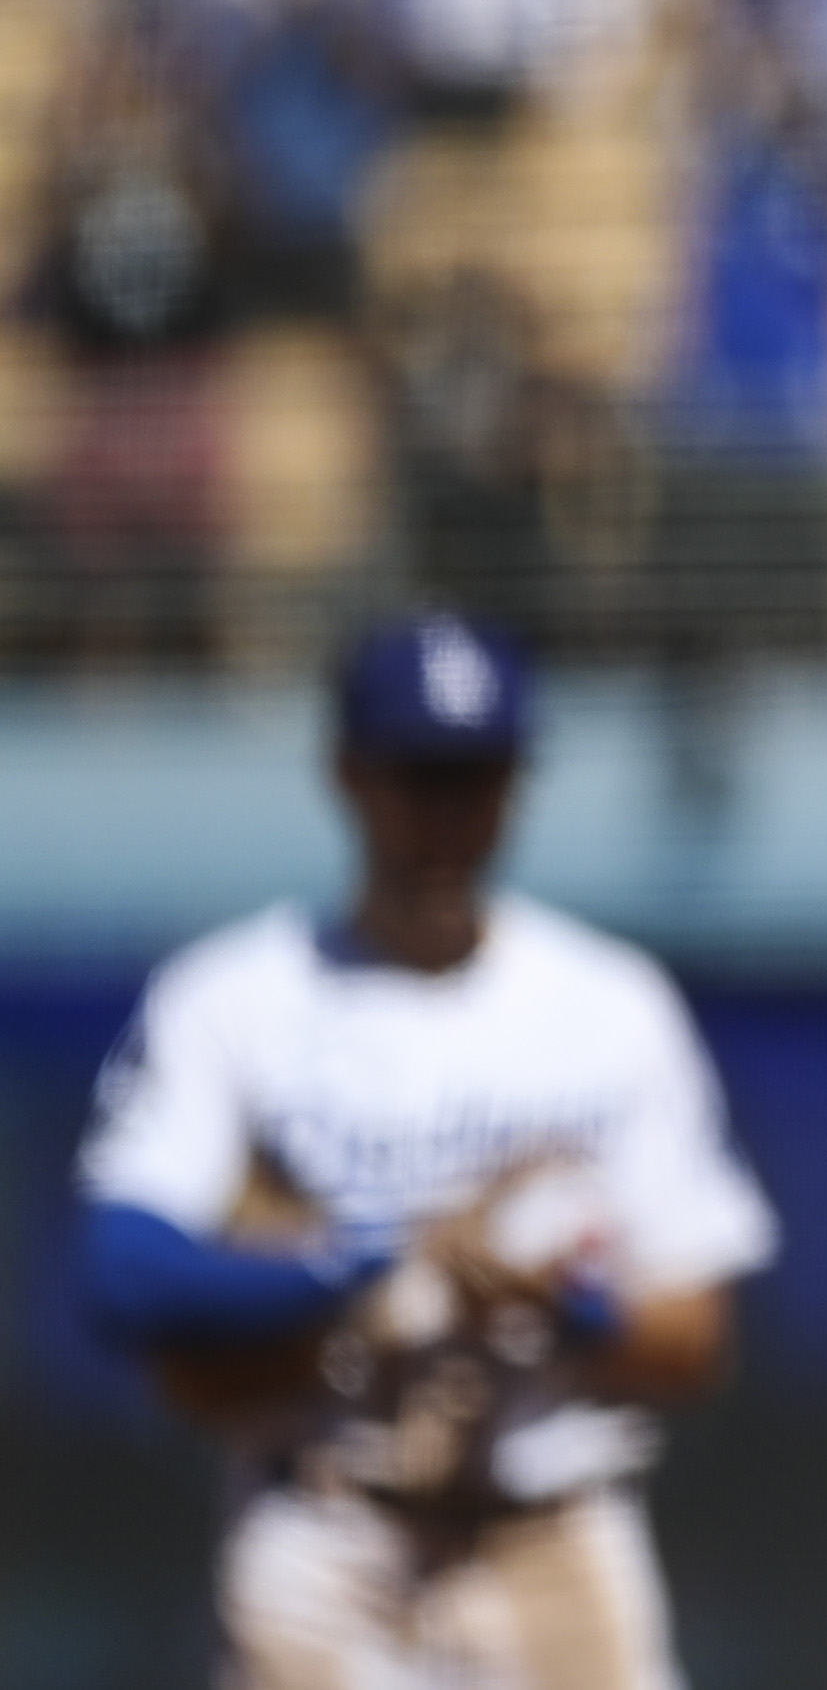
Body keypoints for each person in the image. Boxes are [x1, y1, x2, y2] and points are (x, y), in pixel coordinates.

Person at [76, 613, 776, 1690]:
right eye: (422, 776)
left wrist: (559, 1305)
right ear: (350, 774)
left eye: (478, 777)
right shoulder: (238, 995)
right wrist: (381, 1266)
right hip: (323, 1522)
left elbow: (699, 1337)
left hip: (554, 1524)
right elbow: (122, 1276)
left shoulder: (609, 1002)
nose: (449, 818)